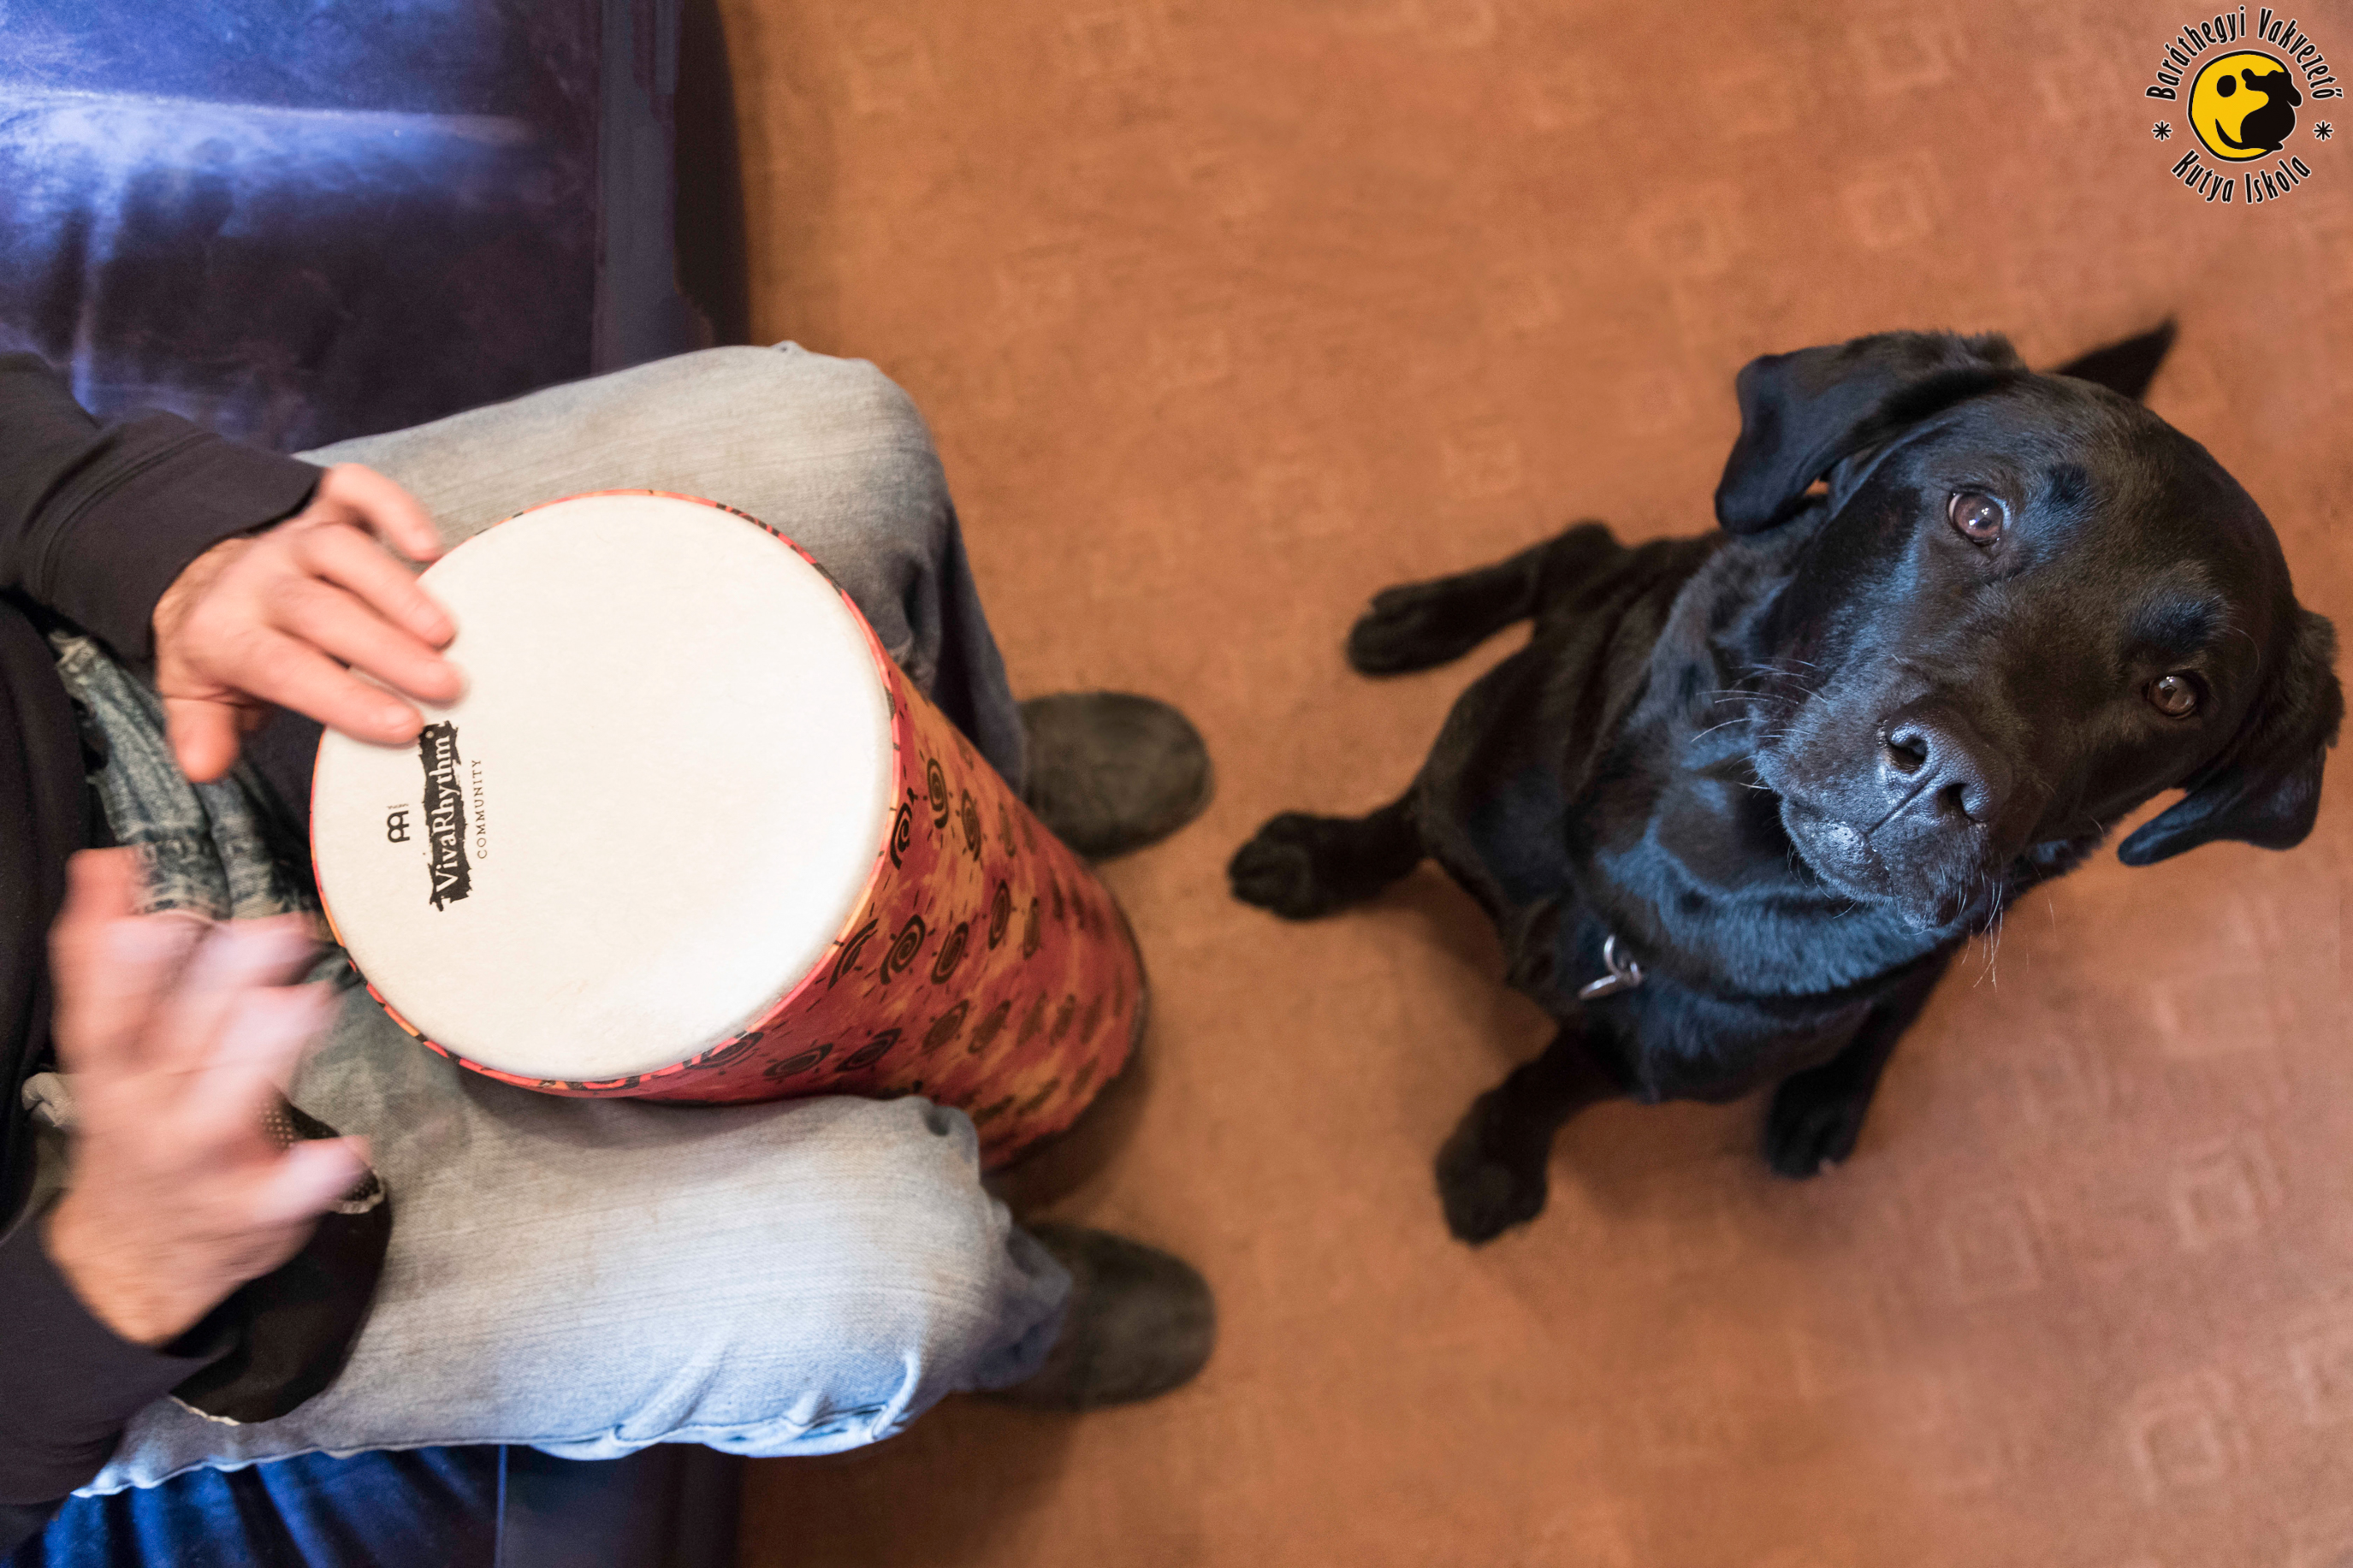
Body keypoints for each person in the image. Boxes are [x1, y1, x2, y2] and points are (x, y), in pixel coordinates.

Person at [0, 344, 1218, 1559]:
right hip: (85, 1210)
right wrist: (101, 1290)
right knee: (891, 1284)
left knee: (837, 441)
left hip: (104, 685)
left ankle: (965, 794)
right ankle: (1020, 1314)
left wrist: (118, 519)